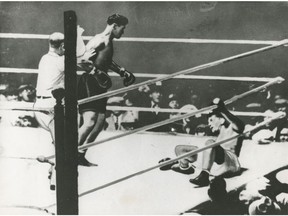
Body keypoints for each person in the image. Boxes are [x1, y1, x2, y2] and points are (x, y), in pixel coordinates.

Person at [77, 14, 135, 165]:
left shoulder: (108, 41)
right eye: (123, 28)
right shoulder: (100, 39)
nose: (123, 32)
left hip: (98, 84)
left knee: (100, 122)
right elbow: (81, 60)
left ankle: (79, 154)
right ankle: (69, 155)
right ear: (115, 26)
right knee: (89, 122)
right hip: (89, 82)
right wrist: (96, 73)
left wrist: (122, 71)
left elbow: (105, 60)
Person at [34, 30, 95, 168]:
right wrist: (79, 37)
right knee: (63, 144)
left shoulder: (44, 58)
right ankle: (56, 169)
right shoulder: (61, 61)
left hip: (39, 106)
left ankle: (54, 168)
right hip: (51, 106)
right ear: (62, 46)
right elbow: (82, 60)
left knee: (60, 141)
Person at [159, 98, 245, 187]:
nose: (209, 124)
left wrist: (222, 109)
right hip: (216, 165)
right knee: (180, 149)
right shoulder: (221, 132)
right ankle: (184, 166)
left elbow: (239, 124)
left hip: (230, 163)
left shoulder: (233, 128)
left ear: (222, 120)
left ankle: (204, 175)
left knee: (210, 143)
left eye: (211, 120)